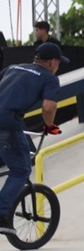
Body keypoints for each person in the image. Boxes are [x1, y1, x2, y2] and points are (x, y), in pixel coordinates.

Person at [0, 43, 66, 235]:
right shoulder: (49, 78)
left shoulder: (12, 68)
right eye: (59, 63)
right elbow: (48, 107)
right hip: (7, 124)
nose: (58, 67)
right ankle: (2, 215)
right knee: (21, 170)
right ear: (52, 62)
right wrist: (50, 126)